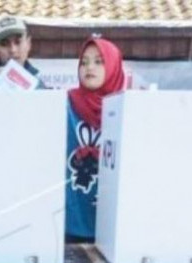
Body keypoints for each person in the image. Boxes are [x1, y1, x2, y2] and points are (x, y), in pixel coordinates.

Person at [65, 35, 125, 244]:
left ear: (114, 66)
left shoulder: (127, 109)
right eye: (84, 62)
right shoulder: (64, 103)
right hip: (70, 224)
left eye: (99, 61)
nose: (89, 67)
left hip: (115, 226)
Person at [0, 16, 45, 89]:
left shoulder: (39, 85)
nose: (13, 50)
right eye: (4, 44)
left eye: (18, 42)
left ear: (28, 44)